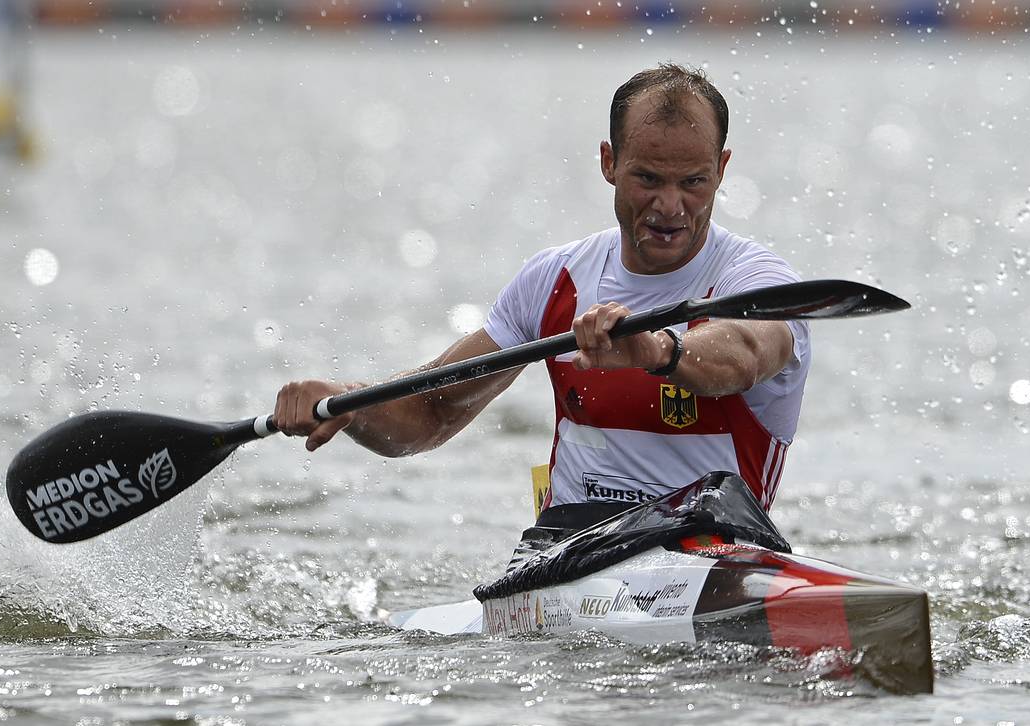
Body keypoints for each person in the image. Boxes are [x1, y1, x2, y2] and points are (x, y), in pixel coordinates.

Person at [274, 63, 811, 521]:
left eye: (692, 181)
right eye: (648, 179)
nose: (670, 206)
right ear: (609, 163)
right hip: (567, 557)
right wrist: (350, 405)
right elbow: (432, 411)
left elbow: (745, 354)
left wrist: (656, 350)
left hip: (716, 551)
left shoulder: (757, 281)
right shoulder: (555, 281)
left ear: (721, 169)